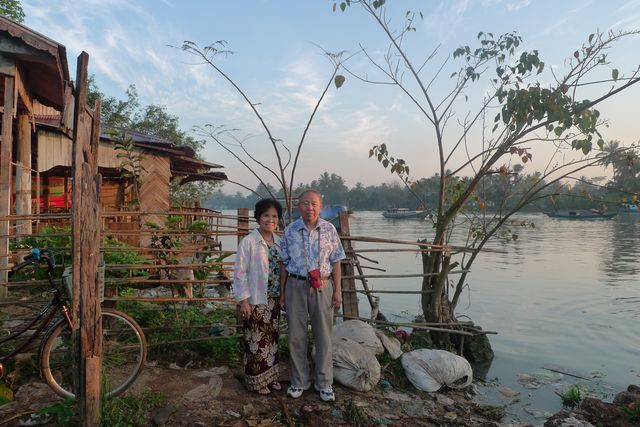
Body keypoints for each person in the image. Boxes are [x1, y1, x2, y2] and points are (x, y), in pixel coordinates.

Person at [279, 189, 345, 402]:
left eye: (314, 204)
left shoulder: (329, 229)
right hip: (295, 285)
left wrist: (338, 290)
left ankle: (324, 383)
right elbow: (283, 263)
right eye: (306, 203)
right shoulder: (290, 230)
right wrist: (282, 293)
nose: (310, 207)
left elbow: (336, 261)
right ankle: (299, 381)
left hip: (323, 285)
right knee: (296, 336)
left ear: (320, 206)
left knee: (323, 336)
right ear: (299, 206)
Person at [233, 198, 284, 395]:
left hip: (273, 300)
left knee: (272, 341)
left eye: (274, 216)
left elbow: (283, 271)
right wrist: (243, 301)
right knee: (256, 342)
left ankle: (270, 378)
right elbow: (239, 273)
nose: (270, 220)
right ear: (258, 217)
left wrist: (283, 296)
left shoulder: (279, 243)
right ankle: (256, 381)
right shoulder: (249, 242)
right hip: (255, 300)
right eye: (266, 215)